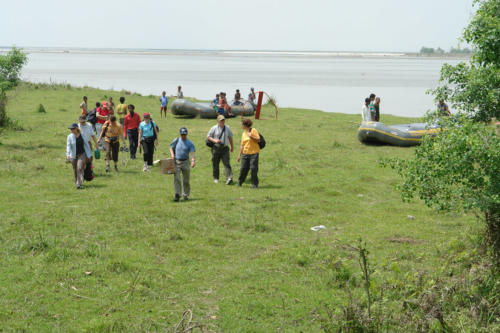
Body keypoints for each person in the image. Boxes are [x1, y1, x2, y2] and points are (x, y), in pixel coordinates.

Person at [170, 127, 196, 201]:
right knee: (177, 179)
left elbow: (192, 152)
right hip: (177, 162)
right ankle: (177, 194)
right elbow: (171, 148)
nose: (183, 136)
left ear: (187, 134)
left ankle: (186, 194)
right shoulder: (176, 140)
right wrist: (172, 155)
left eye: (184, 134)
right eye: (182, 134)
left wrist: (193, 160)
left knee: (186, 180)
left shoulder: (189, 143)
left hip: (186, 162)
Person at [207, 115, 234, 185]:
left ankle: (229, 178)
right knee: (215, 163)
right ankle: (216, 178)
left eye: (223, 120)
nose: (223, 121)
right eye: (221, 120)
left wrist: (232, 146)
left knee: (227, 163)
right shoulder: (214, 128)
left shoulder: (227, 128)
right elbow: (208, 137)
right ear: (218, 121)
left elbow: (230, 137)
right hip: (216, 148)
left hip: (225, 148)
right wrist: (215, 141)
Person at [66, 123, 92, 189]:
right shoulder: (69, 136)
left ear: (76, 128)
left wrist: (89, 155)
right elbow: (68, 146)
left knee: (79, 167)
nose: (71, 130)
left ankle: (79, 183)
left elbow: (87, 145)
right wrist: (68, 154)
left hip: (82, 154)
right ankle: (77, 181)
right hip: (73, 155)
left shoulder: (82, 135)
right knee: (75, 169)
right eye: (70, 129)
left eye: (72, 129)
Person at [237, 118, 260, 189]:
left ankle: (255, 185)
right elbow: (242, 145)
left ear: (245, 125)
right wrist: (239, 155)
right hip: (245, 154)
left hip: (254, 153)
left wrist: (251, 136)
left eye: (242, 124)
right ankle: (240, 182)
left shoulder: (253, 130)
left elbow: (258, 140)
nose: (241, 125)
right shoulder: (243, 133)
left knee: (253, 169)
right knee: (243, 169)